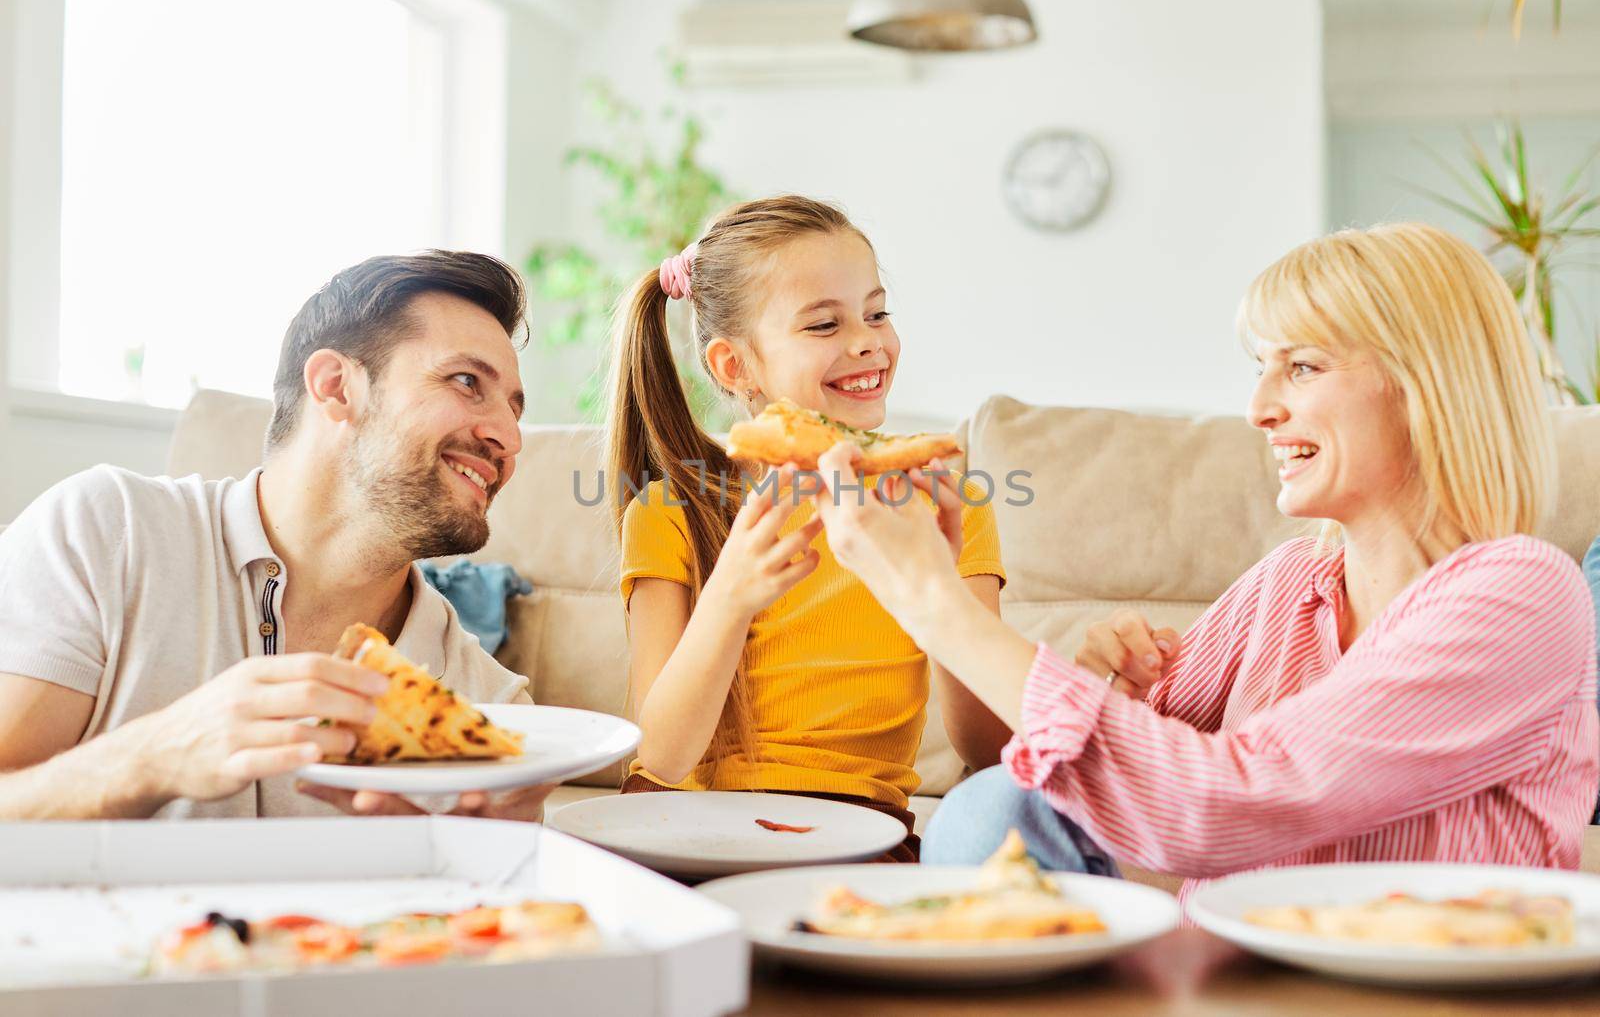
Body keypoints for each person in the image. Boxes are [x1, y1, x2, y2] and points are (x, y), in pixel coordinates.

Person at [809, 223, 1599, 894]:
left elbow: (1224, 803)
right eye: (1262, 368)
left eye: (1303, 366)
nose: (1259, 408)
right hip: (1228, 975)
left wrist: (931, 602)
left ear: (1426, 383)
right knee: (992, 807)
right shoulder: (1291, 582)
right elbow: (1128, 768)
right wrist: (1120, 687)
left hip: (1408, 990)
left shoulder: (1522, 595)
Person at [0, 250, 551, 821]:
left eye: (515, 409)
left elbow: (492, 904)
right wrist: (152, 757)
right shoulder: (106, 533)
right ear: (336, 387)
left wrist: (461, 859)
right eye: (466, 382)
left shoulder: (491, 705)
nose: (510, 439)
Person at [607, 195, 1009, 859]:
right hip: (691, 833)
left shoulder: (942, 498)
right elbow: (657, 759)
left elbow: (987, 749)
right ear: (734, 366)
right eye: (823, 324)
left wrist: (936, 590)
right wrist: (731, 595)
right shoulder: (671, 510)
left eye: (877, 312)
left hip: (865, 832)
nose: (867, 341)